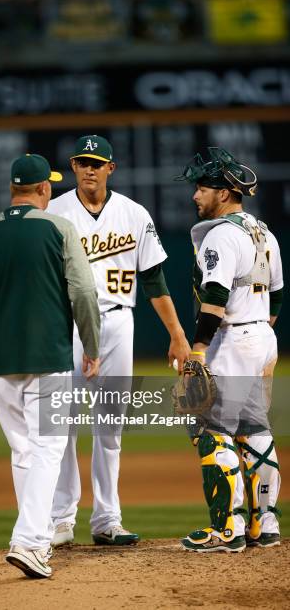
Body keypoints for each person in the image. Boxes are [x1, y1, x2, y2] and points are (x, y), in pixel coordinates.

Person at [0, 153, 100, 578]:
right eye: (49, 185)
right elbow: (84, 292)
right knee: (48, 448)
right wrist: (91, 346)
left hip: (0, 364)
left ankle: (31, 537)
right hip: (49, 357)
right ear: (43, 189)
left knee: (23, 451)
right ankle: (30, 542)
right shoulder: (59, 227)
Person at [48, 134, 191, 546]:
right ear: (73, 166)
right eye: (83, 161)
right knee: (63, 423)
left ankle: (107, 519)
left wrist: (177, 335)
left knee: (110, 425)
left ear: (111, 168)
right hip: (68, 324)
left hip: (118, 323)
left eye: (97, 162)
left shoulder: (132, 213)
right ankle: (61, 519)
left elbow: (154, 279)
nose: (90, 168)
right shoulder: (54, 213)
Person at [175, 147, 283, 552]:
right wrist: (258, 334)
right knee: (255, 430)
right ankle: (265, 525)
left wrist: (198, 350)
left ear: (223, 193)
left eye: (202, 188)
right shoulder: (264, 231)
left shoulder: (221, 234)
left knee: (211, 429)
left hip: (231, 338)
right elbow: (279, 294)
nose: (195, 196)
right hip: (261, 337)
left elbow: (215, 297)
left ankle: (227, 529)